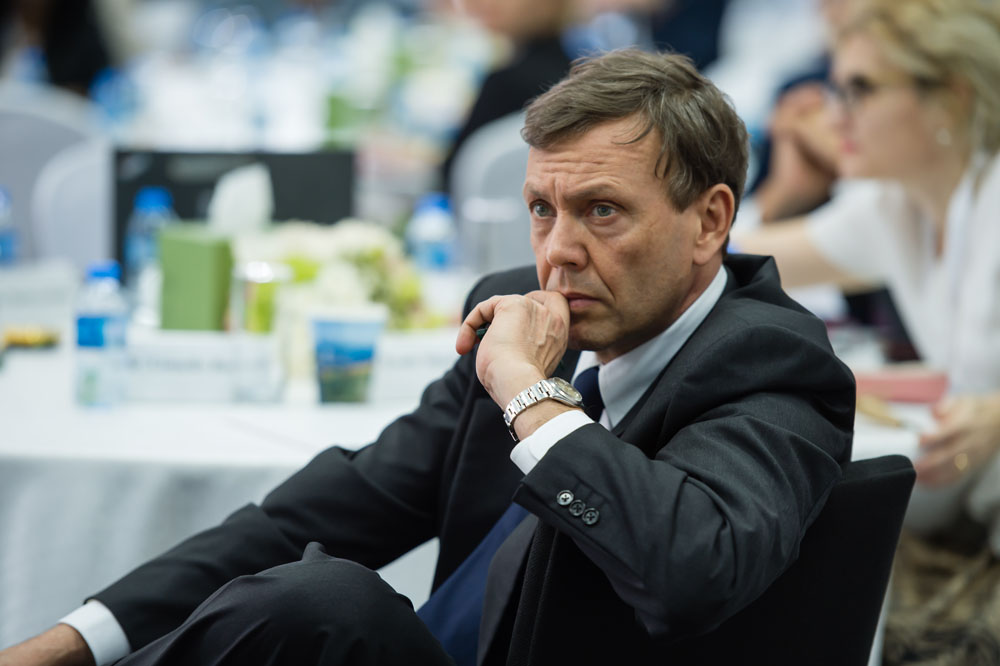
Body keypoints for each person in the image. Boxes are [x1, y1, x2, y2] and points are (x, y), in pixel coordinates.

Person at [0, 49, 855, 666]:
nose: (558, 253)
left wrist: (528, 392)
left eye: (602, 212)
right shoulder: (523, 308)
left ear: (710, 221)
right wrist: (74, 641)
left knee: (326, 605)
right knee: (315, 591)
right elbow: (331, 509)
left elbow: (692, 572)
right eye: (542, 209)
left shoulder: (769, 359)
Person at [735, 0, 1000, 659]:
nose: (835, 116)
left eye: (861, 89)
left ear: (951, 98)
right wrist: (786, 194)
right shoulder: (897, 205)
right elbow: (720, 257)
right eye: (836, 89)